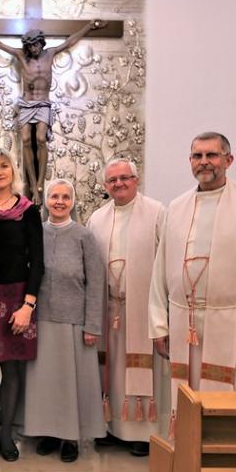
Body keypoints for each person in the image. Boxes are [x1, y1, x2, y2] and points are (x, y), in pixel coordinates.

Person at [148, 132, 236, 436]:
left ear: (228, 160)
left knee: (227, 398)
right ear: (190, 161)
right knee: (183, 395)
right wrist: (159, 325)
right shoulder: (177, 207)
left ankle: (226, 453)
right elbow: (160, 271)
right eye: (197, 156)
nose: (204, 162)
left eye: (212, 155)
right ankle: (184, 453)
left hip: (231, 323)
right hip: (182, 322)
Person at [0, 19, 105, 204]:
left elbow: (70, 42)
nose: (33, 49)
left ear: (41, 43)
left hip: (43, 103)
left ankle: (40, 184)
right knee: (26, 140)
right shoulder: (21, 56)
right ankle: (33, 185)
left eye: (36, 45)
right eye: (30, 46)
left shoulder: (50, 53)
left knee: (41, 139)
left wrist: (90, 26)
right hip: (26, 104)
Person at [86, 158, 167, 456]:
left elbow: (166, 261)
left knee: (140, 368)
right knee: (111, 370)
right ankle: (110, 427)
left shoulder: (157, 212)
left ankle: (143, 433)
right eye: (112, 180)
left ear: (136, 179)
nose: (118, 184)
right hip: (109, 307)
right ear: (105, 185)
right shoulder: (97, 218)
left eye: (124, 178)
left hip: (144, 307)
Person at [23, 179, 105, 462]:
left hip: (74, 322)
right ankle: (48, 431)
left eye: (65, 197)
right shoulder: (37, 233)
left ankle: (70, 437)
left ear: (73, 201)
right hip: (42, 319)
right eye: (54, 196)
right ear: (46, 201)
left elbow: (96, 282)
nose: (59, 201)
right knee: (45, 382)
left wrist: (93, 325)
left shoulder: (84, 236)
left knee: (71, 384)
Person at [0, 147, 43, 462]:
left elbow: (38, 262)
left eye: (4, 166)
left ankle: (7, 436)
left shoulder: (28, 211)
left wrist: (29, 305)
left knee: (12, 368)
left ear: (13, 171)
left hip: (18, 299)